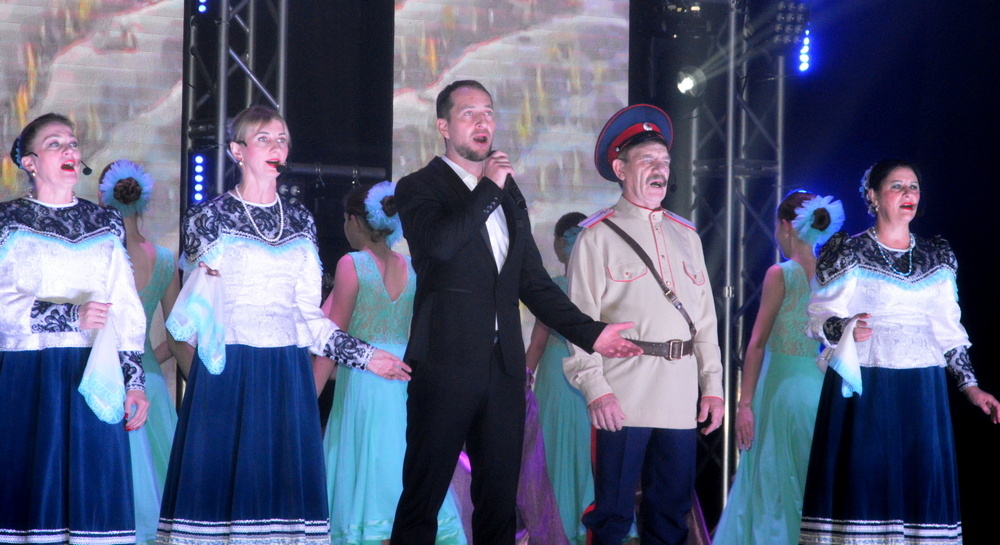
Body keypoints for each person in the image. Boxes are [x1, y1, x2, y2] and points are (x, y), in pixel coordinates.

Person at [389, 80, 641, 545]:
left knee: (500, 501)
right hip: (445, 363)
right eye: (469, 113)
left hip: (504, 367)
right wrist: (489, 186)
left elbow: (534, 283)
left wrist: (593, 334)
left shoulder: (507, 194)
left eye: (488, 112)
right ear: (443, 126)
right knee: (423, 497)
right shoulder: (419, 187)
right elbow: (441, 247)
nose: (482, 122)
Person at [157, 105, 409, 545]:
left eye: (282, 139)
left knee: (280, 509)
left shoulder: (301, 220)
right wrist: (206, 379)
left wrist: (367, 357)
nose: (277, 147)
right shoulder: (208, 218)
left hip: (285, 376)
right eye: (264, 139)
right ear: (238, 151)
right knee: (223, 504)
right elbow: (188, 318)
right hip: (227, 372)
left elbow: (309, 317)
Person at [799, 159, 1000, 545]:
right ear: (873, 196)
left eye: (913, 186)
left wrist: (971, 387)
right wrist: (846, 326)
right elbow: (818, 316)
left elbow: (948, 329)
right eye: (897, 186)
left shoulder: (936, 256)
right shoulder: (849, 251)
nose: (908, 193)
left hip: (922, 390)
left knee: (919, 484)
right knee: (867, 484)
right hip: (867, 385)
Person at [563, 104, 724, 545]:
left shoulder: (686, 235)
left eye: (665, 161)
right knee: (612, 515)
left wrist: (712, 386)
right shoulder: (597, 236)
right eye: (647, 160)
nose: (660, 170)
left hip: (679, 394)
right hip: (623, 392)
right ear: (620, 169)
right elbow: (579, 324)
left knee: (670, 513)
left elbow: (705, 322)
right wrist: (596, 390)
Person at [1, 113, 149, 544]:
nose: (69, 149)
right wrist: (69, 316)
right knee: (31, 495)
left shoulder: (105, 223)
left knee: (93, 500)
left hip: (94, 373)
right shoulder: (8, 221)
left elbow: (125, 304)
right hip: (29, 375)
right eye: (55, 143)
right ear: (30, 162)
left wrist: (134, 382)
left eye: (72, 142)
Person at [314, 181, 466, 545]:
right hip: (402, 380)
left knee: (370, 474)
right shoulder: (411, 267)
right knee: (400, 468)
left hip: (365, 381)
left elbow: (333, 340)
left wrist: (306, 399)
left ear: (355, 220)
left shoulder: (352, 264)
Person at [711, 191, 844, 545]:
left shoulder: (781, 273)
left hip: (780, 390)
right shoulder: (832, 276)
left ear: (785, 226)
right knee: (808, 484)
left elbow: (756, 343)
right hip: (817, 388)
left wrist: (744, 405)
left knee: (772, 487)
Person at [98, 159, 183, 545]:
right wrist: (149, 362)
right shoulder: (163, 259)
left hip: (102, 381)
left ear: (104, 199)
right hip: (148, 385)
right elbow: (178, 336)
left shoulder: (97, 254)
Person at [523, 211, 591, 545]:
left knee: (551, 449)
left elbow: (537, 343)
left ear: (560, 245)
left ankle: (555, 523)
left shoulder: (554, 289)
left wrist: (522, 378)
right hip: (591, 377)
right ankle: (585, 520)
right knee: (584, 450)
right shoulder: (599, 289)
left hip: (554, 372)